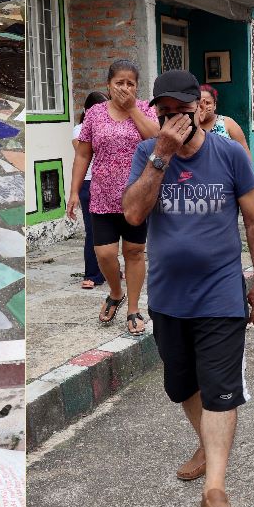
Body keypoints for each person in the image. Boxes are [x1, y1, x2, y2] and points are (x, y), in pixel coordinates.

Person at [122, 70, 254, 507]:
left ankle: (216, 486)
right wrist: (162, 155)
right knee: (182, 384)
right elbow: (132, 212)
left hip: (221, 292)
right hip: (168, 296)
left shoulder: (229, 154)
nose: (173, 123)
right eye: (163, 115)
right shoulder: (148, 153)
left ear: (199, 111)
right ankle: (207, 446)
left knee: (221, 390)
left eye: (181, 113)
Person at [66, 60, 159, 335]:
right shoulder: (95, 114)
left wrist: (131, 109)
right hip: (102, 196)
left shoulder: (144, 109)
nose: (125, 88)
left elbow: (157, 140)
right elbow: (83, 154)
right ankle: (115, 293)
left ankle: (133, 308)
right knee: (104, 253)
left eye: (130, 83)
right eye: (119, 82)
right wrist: (73, 191)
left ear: (137, 87)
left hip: (136, 197)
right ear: (108, 85)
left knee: (134, 252)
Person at [71, 91, 109, 289]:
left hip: (108, 184)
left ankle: (109, 269)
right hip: (88, 183)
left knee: (110, 230)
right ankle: (92, 274)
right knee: (92, 231)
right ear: (86, 110)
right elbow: (84, 154)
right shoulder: (79, 130)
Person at [195, 85, 251, 158]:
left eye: (208, 103)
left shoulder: (228, 124)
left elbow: (245, 154)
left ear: (215, 105)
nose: (203, 107)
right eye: (199, 104)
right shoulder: (190, 125)